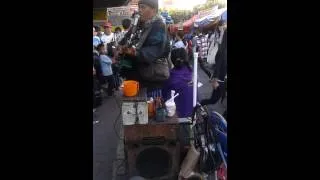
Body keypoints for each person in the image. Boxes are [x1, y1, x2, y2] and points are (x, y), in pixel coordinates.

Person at [120, 0, 170, 97]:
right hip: (136, 76)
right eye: (139, 8)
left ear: (154, 10)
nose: (139, 11)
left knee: (148, 107)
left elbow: (156, 48)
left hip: (150, 78)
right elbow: (126, 39)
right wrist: (121, 47)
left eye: (143, 7)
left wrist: (136, 52)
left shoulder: (158, 25)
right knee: (132, 107)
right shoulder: (138, 24)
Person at [162, 48, 193, 118]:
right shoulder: (192, 72)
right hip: (193, 113)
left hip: (177, 116)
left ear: (172, 60)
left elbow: (163, 96)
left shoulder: (170, 77)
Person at [200, 27, 227, 106]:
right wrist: (215, 80)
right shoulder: (222, 50)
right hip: (220, 81)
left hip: (224, 80)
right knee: (213, 100)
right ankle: (199, 105)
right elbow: (218, 65)